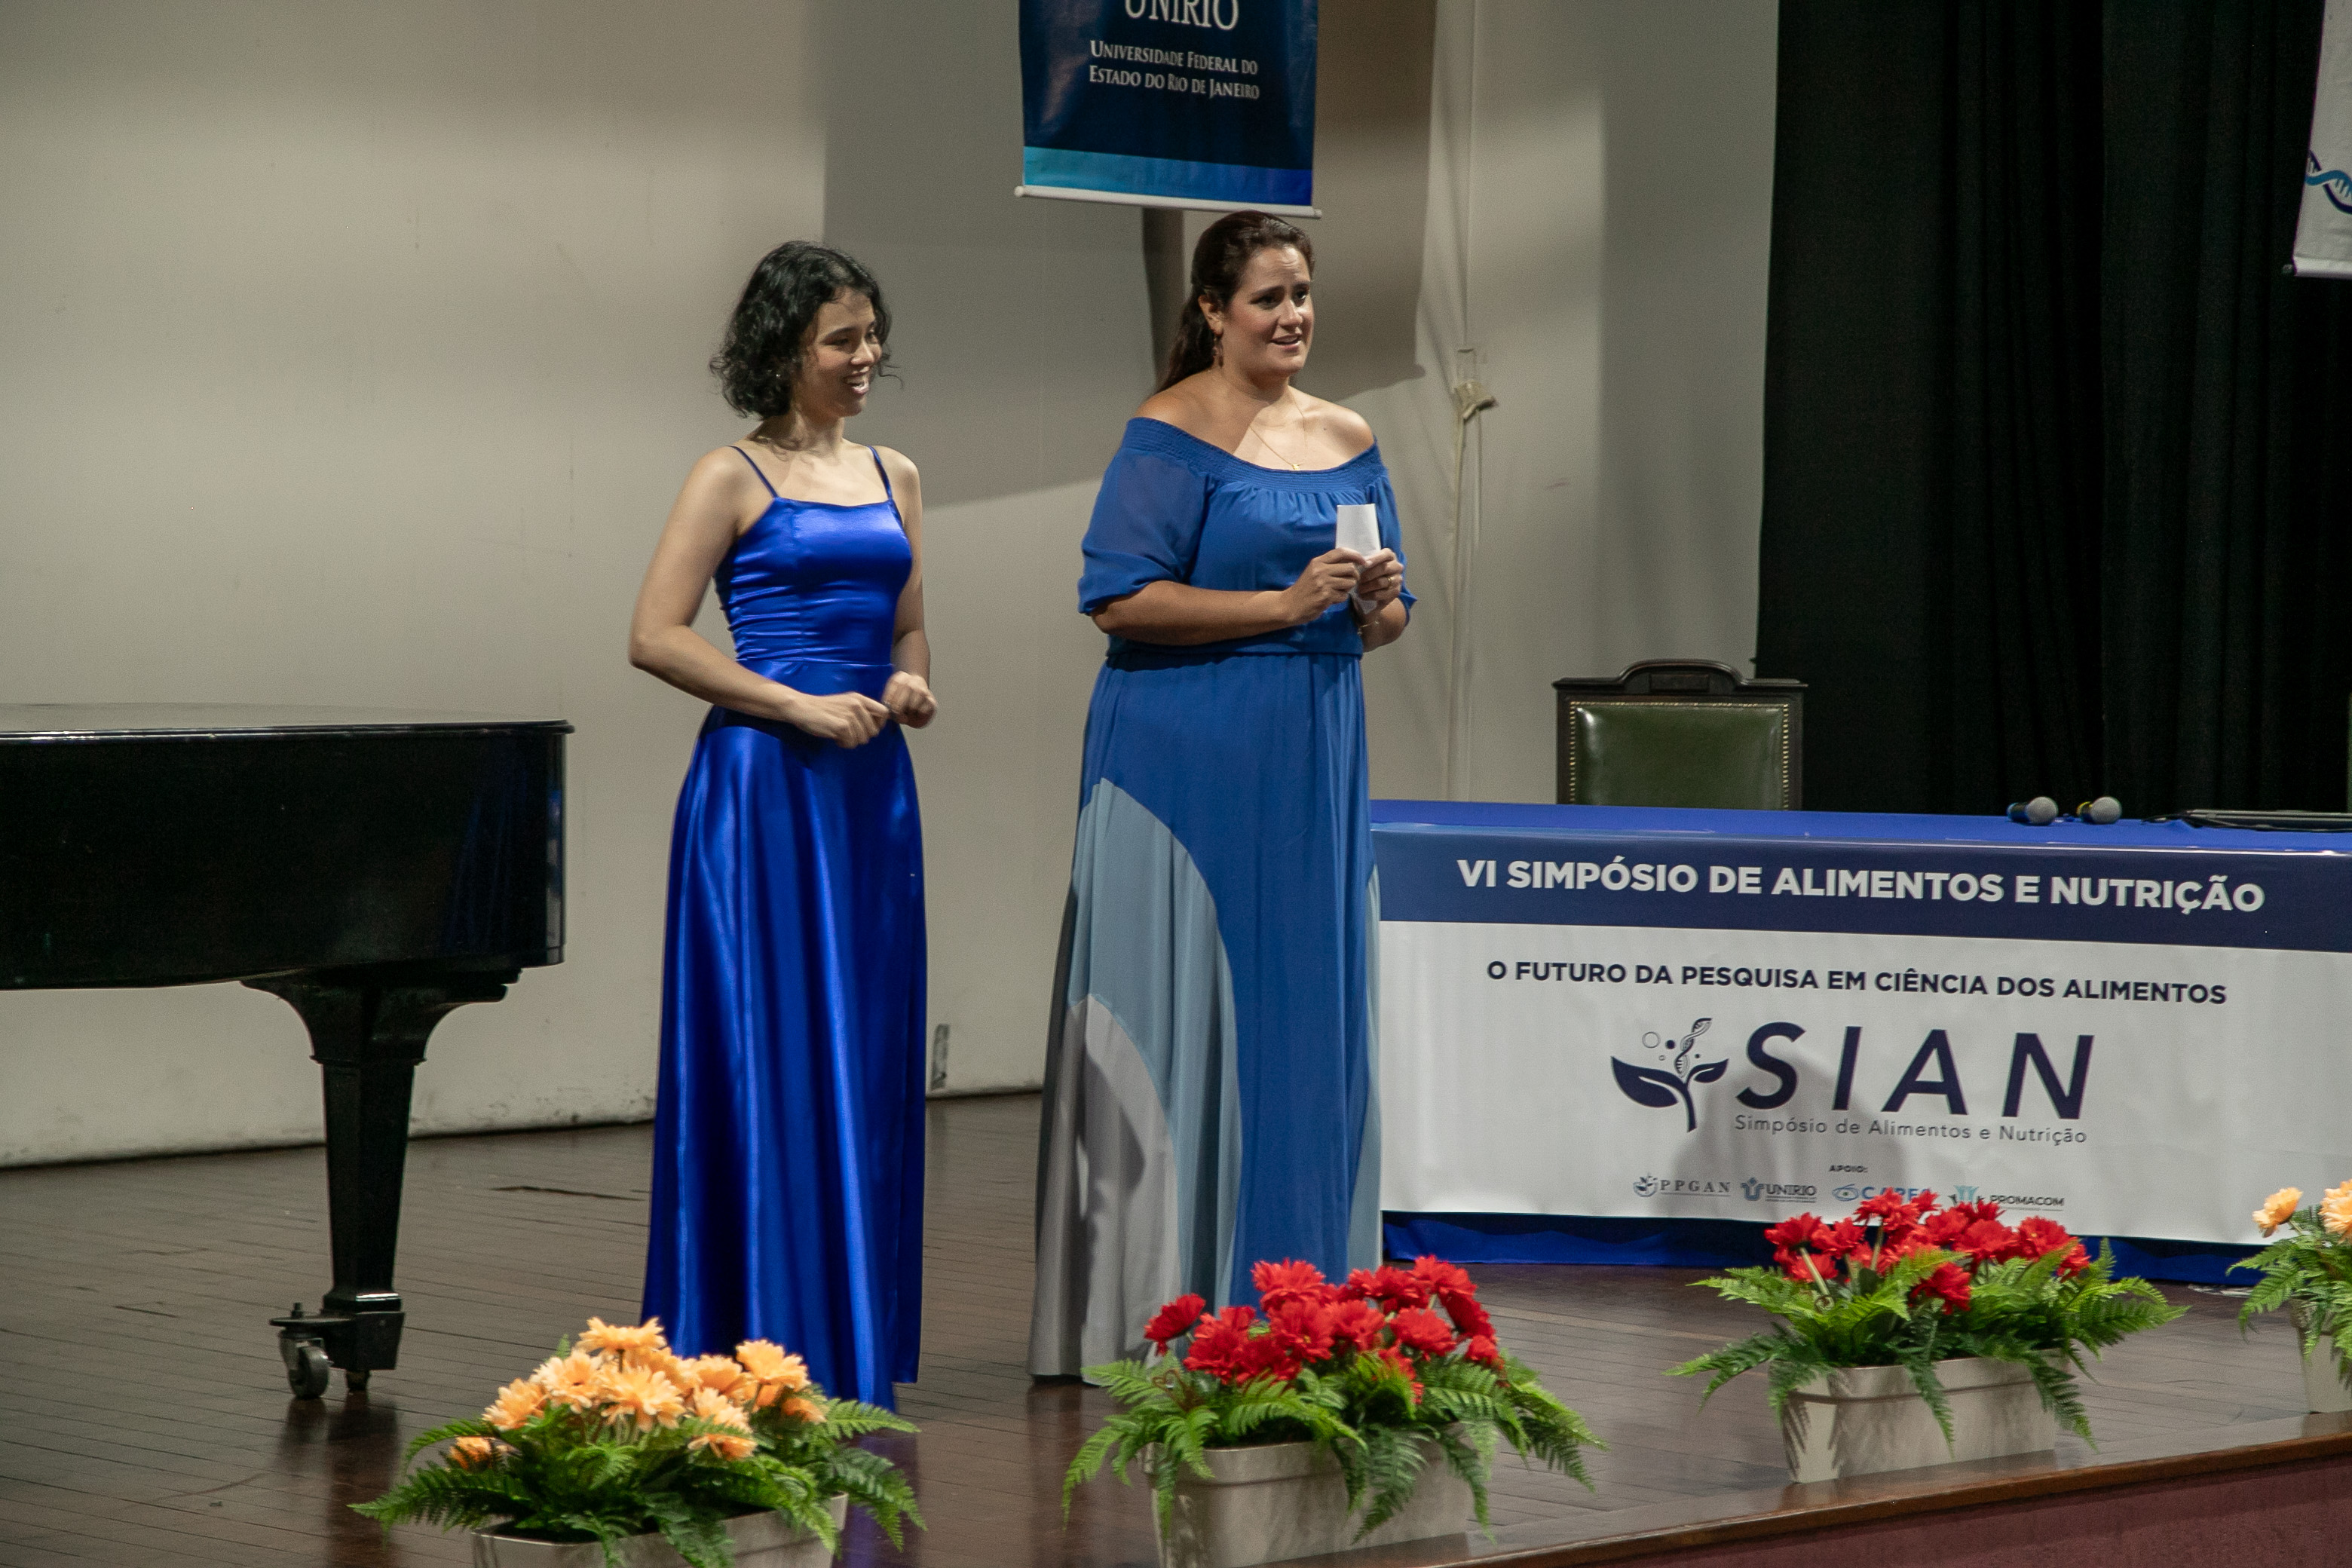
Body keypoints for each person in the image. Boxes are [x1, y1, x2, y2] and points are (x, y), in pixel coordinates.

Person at [1029, 211, 1412, 1377]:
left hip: (1312, 755)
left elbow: (1387, 623)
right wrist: (1280, 607)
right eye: (1267, 298)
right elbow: (1118, 599)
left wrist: (1376, 602)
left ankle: (1308, 1303)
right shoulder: (1168, 431)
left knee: (1305, 1019)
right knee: (1187, 1011)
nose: (1293, 316)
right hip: (1185, 756)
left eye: (1303, 294)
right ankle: (1170, 1307)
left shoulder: (1348, 434)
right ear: (1211, 311)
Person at [629, 241, 933, 1407]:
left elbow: (906, 628)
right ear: (784, 349)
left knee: (861, 1052)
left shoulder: (898, 474)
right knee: (768, 1053)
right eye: (841, 339)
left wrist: (910, 682)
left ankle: (845, 1337)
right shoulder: (730, 474)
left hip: (869, 795)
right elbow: (656, 636)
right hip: (763, 789)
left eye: (871, 336)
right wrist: (793, 704)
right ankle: (750, 1336)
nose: (866, 357)